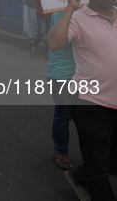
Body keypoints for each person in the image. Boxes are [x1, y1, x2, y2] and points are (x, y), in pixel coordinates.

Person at [47, 0, 117, 200]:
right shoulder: (77, 18)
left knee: (109, 158)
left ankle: (80, 175)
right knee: (99, 167)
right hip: (90, 102)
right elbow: (55, 43)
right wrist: (70, 8)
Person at [46, 10, 76, 171]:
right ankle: (61, 151)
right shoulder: (62, 13)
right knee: (63, 116)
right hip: (63, 74)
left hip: (93, 74)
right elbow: (55, 43)